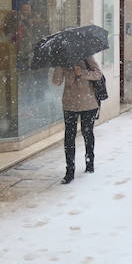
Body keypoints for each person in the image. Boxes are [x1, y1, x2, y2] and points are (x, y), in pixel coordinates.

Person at [52, 56, 102, 184]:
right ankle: (70, 171)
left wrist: (82, 73)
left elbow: (98, 74)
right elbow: (56, 82)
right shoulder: (62, 60)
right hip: (70, 104)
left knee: (87, 133)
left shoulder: (86, 56)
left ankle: (89, 163)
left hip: (88, 103)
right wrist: (59, 68)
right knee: (69, 137)